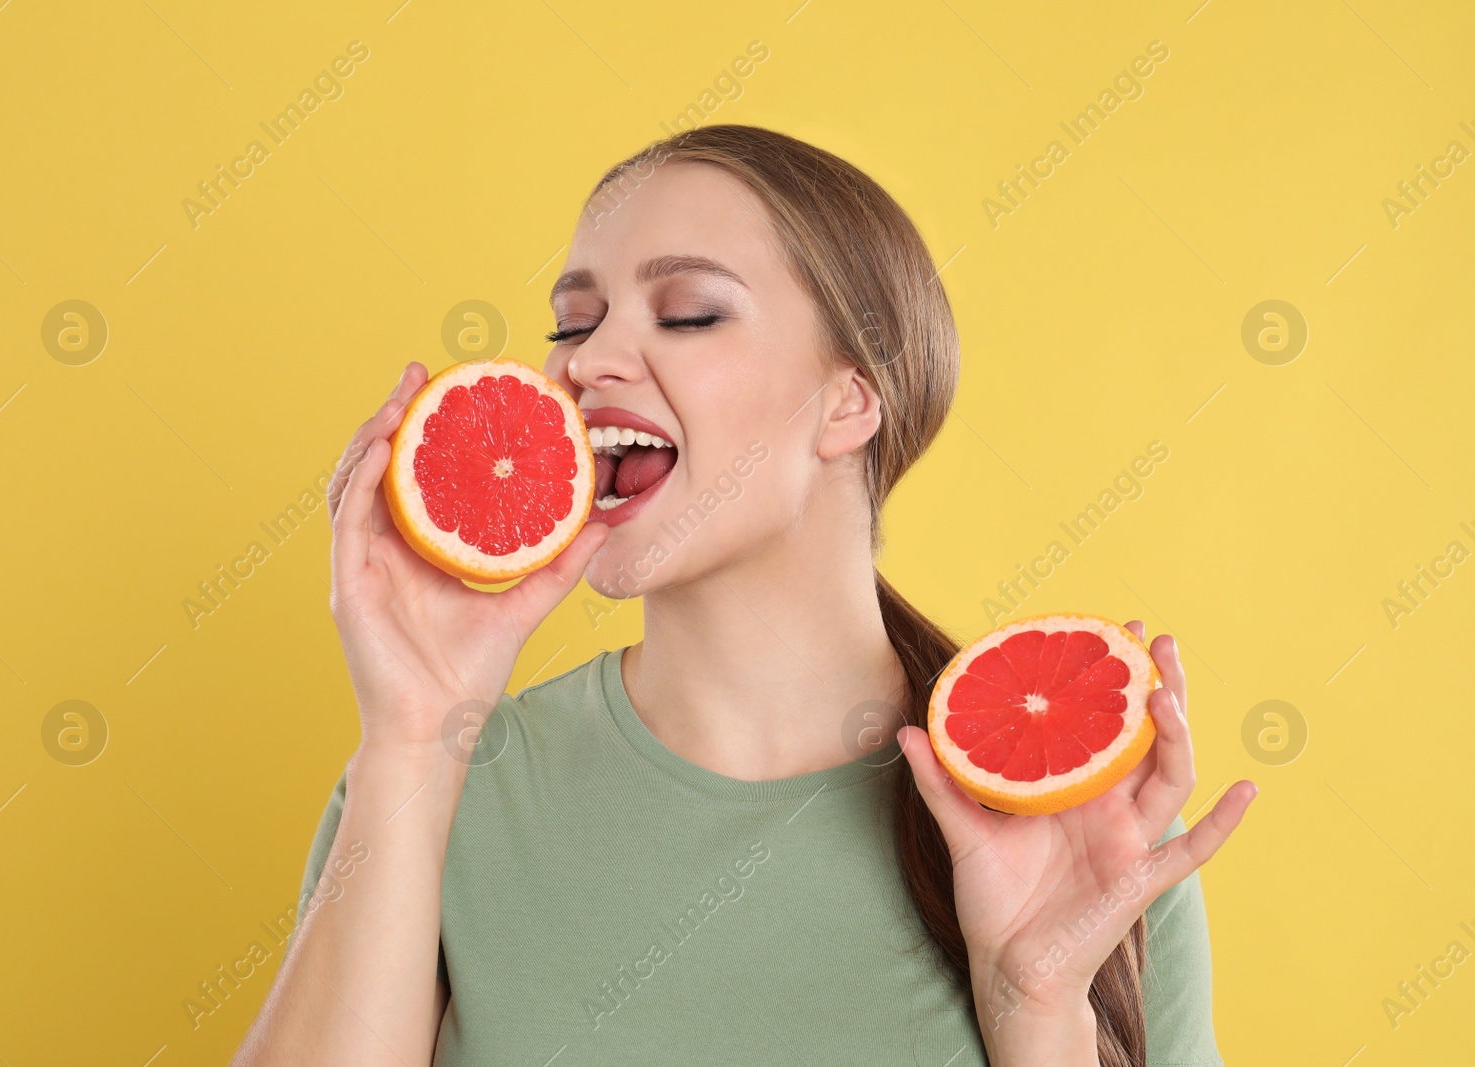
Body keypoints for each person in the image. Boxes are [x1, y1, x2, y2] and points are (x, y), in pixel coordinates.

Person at [231, 124, 1256, 1067]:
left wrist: (1032, 1007)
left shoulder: (1066, 809)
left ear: (850, 399)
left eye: (687, 313)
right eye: (572, 320)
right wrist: (410, 732)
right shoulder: (443, 780)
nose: (584, 360)